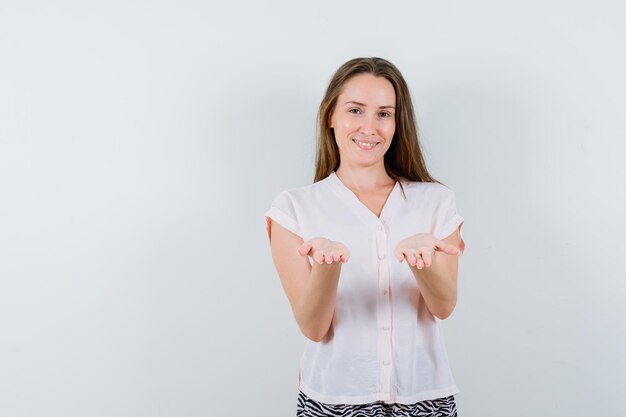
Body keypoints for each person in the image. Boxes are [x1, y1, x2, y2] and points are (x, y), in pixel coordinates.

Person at [264, 57, 465, 417]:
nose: (369, 127)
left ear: (397, 122)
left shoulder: (435, 201)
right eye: (355, 110)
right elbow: (313, 326)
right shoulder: (293, 209)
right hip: (333, 400)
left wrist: (422, 262)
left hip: (426, 398)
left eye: (384, 114)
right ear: (330, 115)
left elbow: (444, 306)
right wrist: (328, 265)